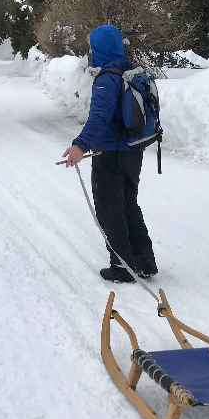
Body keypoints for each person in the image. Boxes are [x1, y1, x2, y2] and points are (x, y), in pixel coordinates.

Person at [62, 24, 158, 283]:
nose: (91, 52)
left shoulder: (107, 79)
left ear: (100, 49)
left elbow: (99, 118)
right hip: (132, 152)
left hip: (111, 154)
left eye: (93, 47)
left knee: (109, 209)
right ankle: (145, 261)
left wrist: (80, 145)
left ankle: (122, 267)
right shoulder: (128, 71)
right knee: (128, 204)